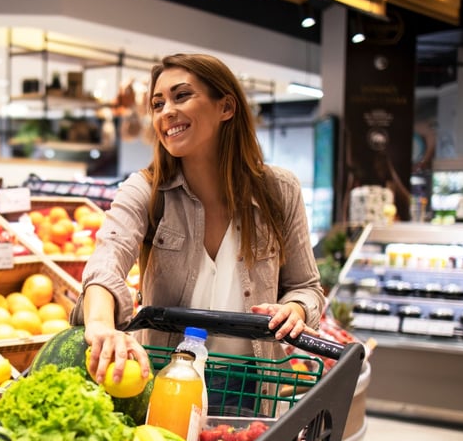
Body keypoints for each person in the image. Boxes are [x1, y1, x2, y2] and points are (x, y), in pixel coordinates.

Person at [70, 53, 325, 403]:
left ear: (226, 107)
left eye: (181, 96)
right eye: (158, 104)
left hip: (251, 384)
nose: (166, 112)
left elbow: (306, 287)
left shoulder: (279, 191)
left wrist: (294, 311)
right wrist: (101, 326)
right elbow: (106, 263)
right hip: (162, 380)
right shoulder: (147, 190)